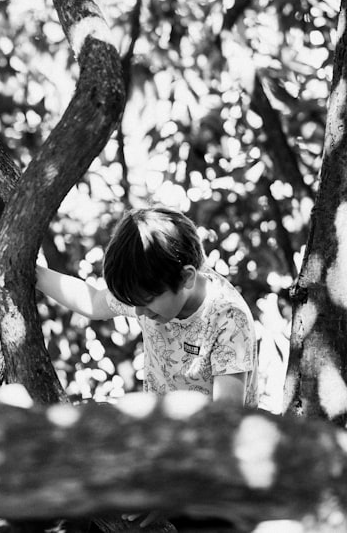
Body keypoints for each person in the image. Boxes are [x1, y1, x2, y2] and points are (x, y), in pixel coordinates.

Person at [36, 206, 258, 525]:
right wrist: (37, 275)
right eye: (134, 303)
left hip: (212, 468)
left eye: (147, 303)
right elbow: (95, 302)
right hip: (160, 443)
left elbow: (224, 423)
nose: (139, 313)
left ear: (186, 278)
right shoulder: (151, 291)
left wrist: (173, 492)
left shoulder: (227, 320)